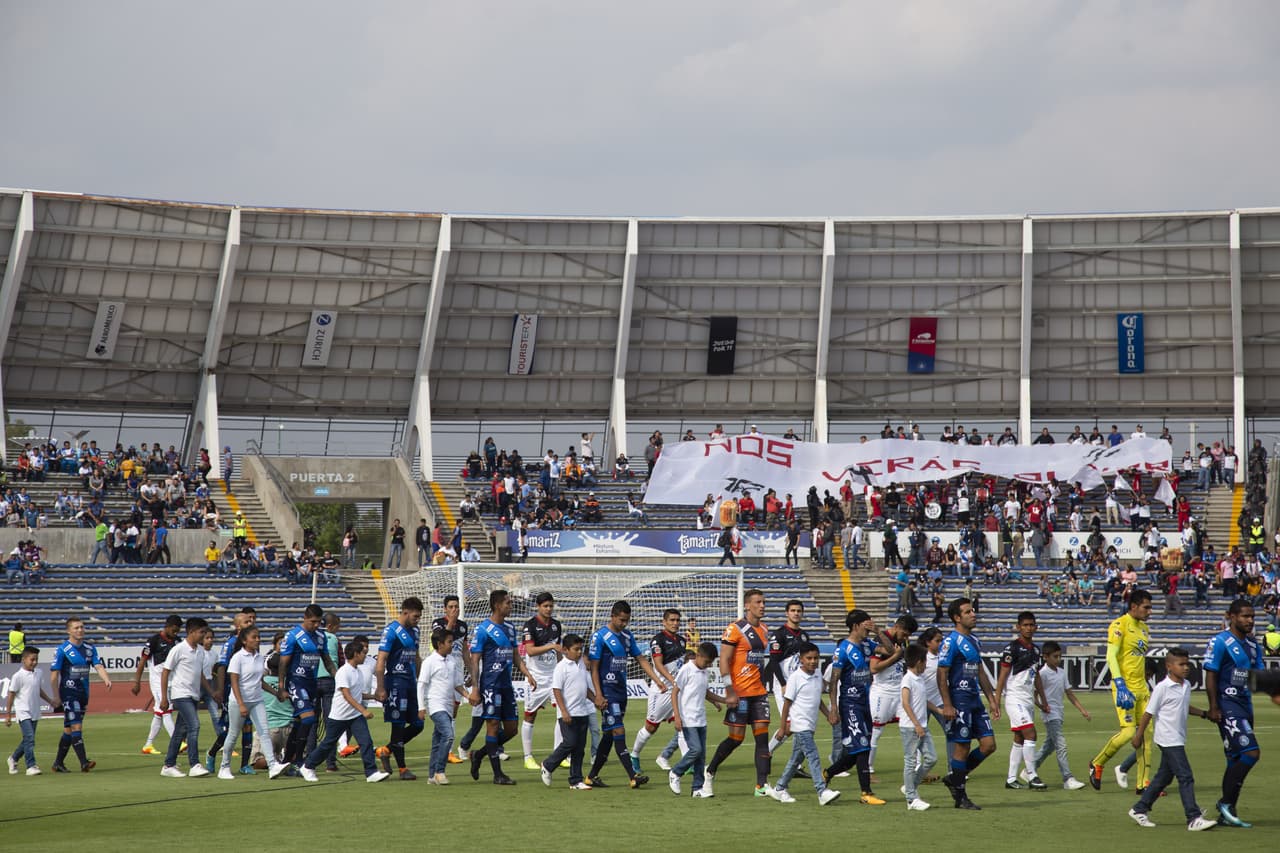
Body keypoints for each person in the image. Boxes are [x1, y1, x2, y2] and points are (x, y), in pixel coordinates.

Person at [1126, 648, 1217, 831]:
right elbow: (1148, 713)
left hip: (1178, 737)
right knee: (1185, 776)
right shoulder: (1162, 688)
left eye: (1187, 664)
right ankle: (1193, 818)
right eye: (1181, 664)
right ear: (1169, 666)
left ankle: (1139, 809)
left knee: (1163, 778)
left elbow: (1184, 706)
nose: (1185, 668)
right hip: (1168, 738)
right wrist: (1138, 736)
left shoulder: (1185, 686)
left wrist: (1205, 714)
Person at [585, 600, 665, 788]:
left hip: (621, 692)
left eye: (627, 621)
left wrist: (657, 680)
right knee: (619, 730)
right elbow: (594, 668)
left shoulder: (627, 636)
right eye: (621, 620)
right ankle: (633, 776)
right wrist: (598, 694)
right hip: (607, 693)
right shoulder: (600, 637)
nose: (624, 624)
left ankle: (591, 776)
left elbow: (640, 659)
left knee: (610, 735)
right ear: (613, 616)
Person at [705, 588, 774, 798]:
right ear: (747, 605)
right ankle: (709, 772)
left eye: (763, 602)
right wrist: (729, 691)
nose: (762, 606)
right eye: (758, 602)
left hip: (759, 693)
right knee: (736, 739)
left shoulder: (764, 629)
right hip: (740, 693)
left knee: (762, 739)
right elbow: (724, 659)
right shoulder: (735, 629)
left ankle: (761, 786)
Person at [1203, 599, 1264, 828]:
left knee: (1235, 758)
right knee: (1251, 753)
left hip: (1245, 706)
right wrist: (1214, 707)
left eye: (1252, 617)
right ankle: (1225, 803)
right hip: (1227, 706)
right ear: (1231, 616)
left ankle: (1228, 813)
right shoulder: (1220, 642)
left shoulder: (1252, 645)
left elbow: (1257, 677)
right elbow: (1211, 675)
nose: (1250, 621)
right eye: (1245, 616)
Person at [937, 597, 1000, 810]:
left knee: (989, 745)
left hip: (974, 699)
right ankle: (960, 797)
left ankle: (955, 778)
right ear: (957, 617)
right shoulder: (950, 642)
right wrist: (947, 704)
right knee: (962, 746)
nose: (973, 614)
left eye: (973, 610)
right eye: (967, 612)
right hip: (959, 700)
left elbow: (980, 671)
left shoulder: (974, 640)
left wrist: (991, 699)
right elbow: (942, 674)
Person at [468, 589, 535, 784]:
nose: (511, 606)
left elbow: (515, 656)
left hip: (506, 685)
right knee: (493, 726)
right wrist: (475, 688)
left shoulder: (511, 628)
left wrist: (528, 674)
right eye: (508, 603)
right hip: (490, 685)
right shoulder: (482, 630)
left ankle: (479, 754)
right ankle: (498, 775)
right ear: (497, 605)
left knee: (512, 729)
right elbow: (474, 661)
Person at [1090, 589, 1154, 792]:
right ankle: (1097, 763)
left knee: (1147, 735)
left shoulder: (1144, 628)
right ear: (1133, 606)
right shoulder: (1119, 625)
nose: (1149, 611)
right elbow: (1111, 656)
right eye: (1146, 607)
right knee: (1128, 733)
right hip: (1124, 688)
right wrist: (1119, 684)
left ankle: (1143, 783)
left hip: (1142, 688)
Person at [298, 641, 391, 783]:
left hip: (354, 715)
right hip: (340, 716)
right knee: (328, 743)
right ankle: (308, 766)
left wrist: (373, 697)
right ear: (355, 654)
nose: (364, 656)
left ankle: (371, 772)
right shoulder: (343, 671)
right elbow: (347, 695)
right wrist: (364, 710)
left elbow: (358, 694)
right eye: (362, 653)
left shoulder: (358, 671)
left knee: (366, 741)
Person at [823, 609, 885, 805]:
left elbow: (891, 651)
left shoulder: (868, 644)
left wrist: (878, 631)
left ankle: (828, 772)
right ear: (856, 626)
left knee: (854, 753)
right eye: (867, 623)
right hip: (850, 705)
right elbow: (834, 681)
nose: (869, 626)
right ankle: (866, 793)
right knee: (863, 748)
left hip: (865, 703)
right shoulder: (843, 650)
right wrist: (833, 708)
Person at [770, 642, 840, 805]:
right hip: (800, 725)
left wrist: (828, 714)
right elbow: (787, 703)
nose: (813, 661)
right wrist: (782, 728)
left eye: (815, 658)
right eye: (809, 658)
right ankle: (822, 791)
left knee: (796, 758)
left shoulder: (817, 675)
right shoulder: (795, 678)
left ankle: (780, 788)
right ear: (801, 659)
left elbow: (817, 700)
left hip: (810, 724)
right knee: (813, 756)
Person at [273, 604, 338, 776]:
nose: (316, 625)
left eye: (319, 622)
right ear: (305, 618)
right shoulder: (293, 635)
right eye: (313, 622)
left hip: (312, 684)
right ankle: (299, 761)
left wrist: (339, 678)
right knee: (309, 719)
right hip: (296, 682)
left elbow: (327, 660)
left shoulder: (321, 636)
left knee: (300, 724)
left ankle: (287, 760)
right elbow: (283, 663)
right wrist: (281, 687)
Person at [219, 625, 285, 780]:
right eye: (254, 637)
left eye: (258, 637)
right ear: (244, 640)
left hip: (257, 700)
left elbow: (259, 681)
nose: (258, 640)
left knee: (264, 731)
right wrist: (241, 704)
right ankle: (224, 766)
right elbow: (234, 682)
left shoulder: (259, 657)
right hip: (238, 701)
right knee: (233, 734)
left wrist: (276, 693)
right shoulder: (238, 658)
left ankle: (273, 766)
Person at [992, 611, 1050, 790]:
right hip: (1014, 698)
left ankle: (1011, 779)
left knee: (1019, 737)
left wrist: (1042, 700)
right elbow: (1002, 675)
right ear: (1018, 627)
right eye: (1025, 625)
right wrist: (996, 701)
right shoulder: (1012, 648)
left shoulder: (1036, 650)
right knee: (1031, 734)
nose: (1029, 628)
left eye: (1031, 625)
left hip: (1027, 700)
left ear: (1036, 627)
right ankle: (1032, 775)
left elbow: (1037, 676)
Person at [50, 616, 113, 772]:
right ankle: (84, 762)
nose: (80, 630)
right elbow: (54, 675)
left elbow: (98, 665)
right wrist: (56, 696)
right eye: (76, 628)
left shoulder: (90, 649)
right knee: (77, 725)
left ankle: (58, 763)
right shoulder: (63, 650)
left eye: (82, 627)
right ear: (68, 630)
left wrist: (106, 679)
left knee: (69, 730)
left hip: (83, 693)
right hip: (68, 693)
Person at [374, 596, 425, 780]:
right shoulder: (391, 631)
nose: (417, 620)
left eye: (419, 617)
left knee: (418, 724)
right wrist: (380, 688)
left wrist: (421, 680)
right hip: (396, 684)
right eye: (415, 616)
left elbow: (416, 657)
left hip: (411, 684)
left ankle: (386, 749)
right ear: (405, 612)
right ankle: (403, 769)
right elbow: (381, 661)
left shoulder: (415, 631)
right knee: (398, 725)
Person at [667, 642, 725, 798]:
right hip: (687, 719)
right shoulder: (686, 670)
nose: (708, 665)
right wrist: (677, 716)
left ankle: (697, 788)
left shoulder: (704, 672)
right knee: (695, 750)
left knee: (701, 756)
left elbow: (704, 691)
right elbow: (674, 693)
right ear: (698, 655)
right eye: (706, 661)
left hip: (701, 718)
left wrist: (719, 701)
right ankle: (676, 772)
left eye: (710, 663)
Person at [631, 608, 685, 772]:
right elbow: (658, 664)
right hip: (661, 690)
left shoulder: (682, 641)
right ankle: (634, 755)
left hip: (676, 691)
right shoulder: (658, 640)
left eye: (677, 620)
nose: (675, 623)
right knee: (651, 727)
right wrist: (671, 679)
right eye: (672, 620)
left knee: (685, 724)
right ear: (664, 622)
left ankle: (685, 761)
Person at [1031, 640, 1090, 789]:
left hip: (1059, 712)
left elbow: (1069, 694)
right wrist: (1042, 706)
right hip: (1050, 715)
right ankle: (1068, 778)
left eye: (1059, 656)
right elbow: (1034, 694)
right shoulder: (1042, 674)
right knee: (1061, 745)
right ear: (1045, 657)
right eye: (1055, 656)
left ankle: (1029, 769)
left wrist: (1082, 710)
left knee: (1049, 746)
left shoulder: (1062, 672)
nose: (1058, 659)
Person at [159, 617, 213, 778]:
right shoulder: (178, 649)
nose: (203, 636)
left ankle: (168, 765)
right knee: (194, 725)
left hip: (194, 694)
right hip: (180, 694)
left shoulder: (201, 651)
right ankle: (194, 763)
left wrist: (211, 691)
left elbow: (200, 674)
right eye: (201, 632)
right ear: (191, 632)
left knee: (179, 731)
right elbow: (165, 671)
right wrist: (164, 697)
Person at [539, 634, 594, 790]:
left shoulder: (582, 664)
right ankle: (548, 765)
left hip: (582, 712)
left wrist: (595, 699)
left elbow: (584, 687)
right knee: (570, 743)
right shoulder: (561, 667)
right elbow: (556, 690)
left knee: (580, 748)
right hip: (568, 713)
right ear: (565, 650)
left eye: (580, 649)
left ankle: (576, 780)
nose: (579, 652)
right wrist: (563, 711)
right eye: (576, 649)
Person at [868, 614, 918, 777]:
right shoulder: (880, 639)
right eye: (905, 634)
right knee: (876, 731)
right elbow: (874, 668)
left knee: (910, 726)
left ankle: (917, 767)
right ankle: (867, 768)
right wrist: (895, 657)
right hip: (882, 692)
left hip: (899, 691)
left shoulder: (902, 641)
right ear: (897, 627)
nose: (906, 638)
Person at [417, 626, 466, 784]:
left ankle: (431, 776)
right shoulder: (429, 662)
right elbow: (421, 685)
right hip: (436, 706)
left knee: (437, 741)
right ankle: (440, 771)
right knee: (449, 735)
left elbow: (457, 684)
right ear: (440, 644)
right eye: (449, 642)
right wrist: (421, 707)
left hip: (448, 706)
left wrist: (468, 696)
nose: (452, 645)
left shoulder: (452, 661)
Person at [520, 592, 563, 770]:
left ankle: (557, 755)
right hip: (535, 677)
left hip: (553, 675)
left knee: (562, 712)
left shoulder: (556, 625)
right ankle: (528, 757)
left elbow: (559, 651)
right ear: (538, 606)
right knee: (530, 715)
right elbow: (529, 651)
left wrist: (562, 669)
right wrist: (551, 646)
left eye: (551, 606)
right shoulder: (530, 625)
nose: (549, 609)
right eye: (545, 606)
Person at [766, 600, 811, 755]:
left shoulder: (804, 636)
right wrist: (783, 683)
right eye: (793, 610)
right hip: (783, 684)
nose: (796, 613)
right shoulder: (779, 634)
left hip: (799, 684)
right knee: (791, 724)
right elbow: (773, 661)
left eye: (799, 611)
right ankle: (766, 752)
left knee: (799, 723)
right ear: (787, 613)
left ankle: (794, 763)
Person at [132, 613, 182, 755]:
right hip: (157, 681)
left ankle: (148, 745)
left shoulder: (177, 641)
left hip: (171, 680)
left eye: (178, 630)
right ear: (167, 626)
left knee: (159, 713)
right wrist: (137, 682)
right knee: (166, 709)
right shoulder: (153, 641)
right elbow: (142, 662)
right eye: (174, 630)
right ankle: (177, 741)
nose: (176, 633)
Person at [432, 595, 472, 764]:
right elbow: (441, 639)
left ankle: (447, 750)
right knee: (442, 711)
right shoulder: (438, 623)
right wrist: (451, 622)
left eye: (457, 606)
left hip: (456, 671)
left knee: (453, 711)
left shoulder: (463, 627)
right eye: (451, 607)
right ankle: (443, 749)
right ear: (445, 609)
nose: (455, 609)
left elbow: (464, 652)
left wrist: (471, 672)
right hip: (441, 672)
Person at [899, 643, 939, 811]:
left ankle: (910, 787)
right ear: (918, 661)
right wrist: (916, 724)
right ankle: (911, 799)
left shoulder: (919, 679)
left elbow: (923, 700)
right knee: (910, 762)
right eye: (924, 661)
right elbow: (905, 703)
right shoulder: (907, 679)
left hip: (921, 726)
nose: (926, 665)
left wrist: (938, 710)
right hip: (911, 727)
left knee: (931, 758)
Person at [6, 646, 55, 775]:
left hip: (34, 711)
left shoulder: (38, 673)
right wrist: (8, 715)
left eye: (36, 659)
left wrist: (50, 701)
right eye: (32, 659)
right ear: (24, 659)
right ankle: (31, 766)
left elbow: (38, 690)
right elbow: (11, 694)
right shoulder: (18, 676)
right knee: (29, 737)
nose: (34, 662)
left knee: (28, 739)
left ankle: (13, 758)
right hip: (23, 711)